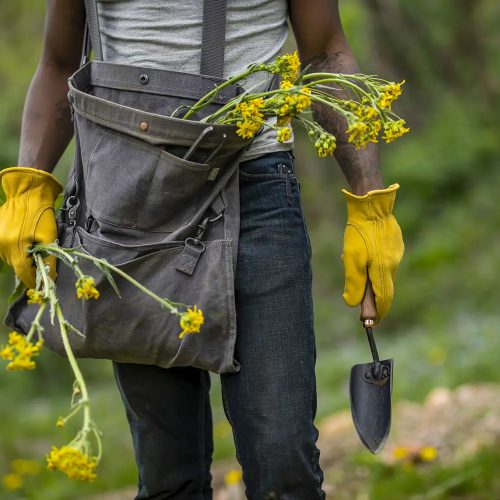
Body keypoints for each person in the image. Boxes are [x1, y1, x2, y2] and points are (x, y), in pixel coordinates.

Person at [0, 0, 404, 498]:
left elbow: (323, 53)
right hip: (130, 199)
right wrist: (30, 186)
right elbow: (59, 62)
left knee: (284, 464)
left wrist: (370, 205)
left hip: (257, 188)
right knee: (169, 474)